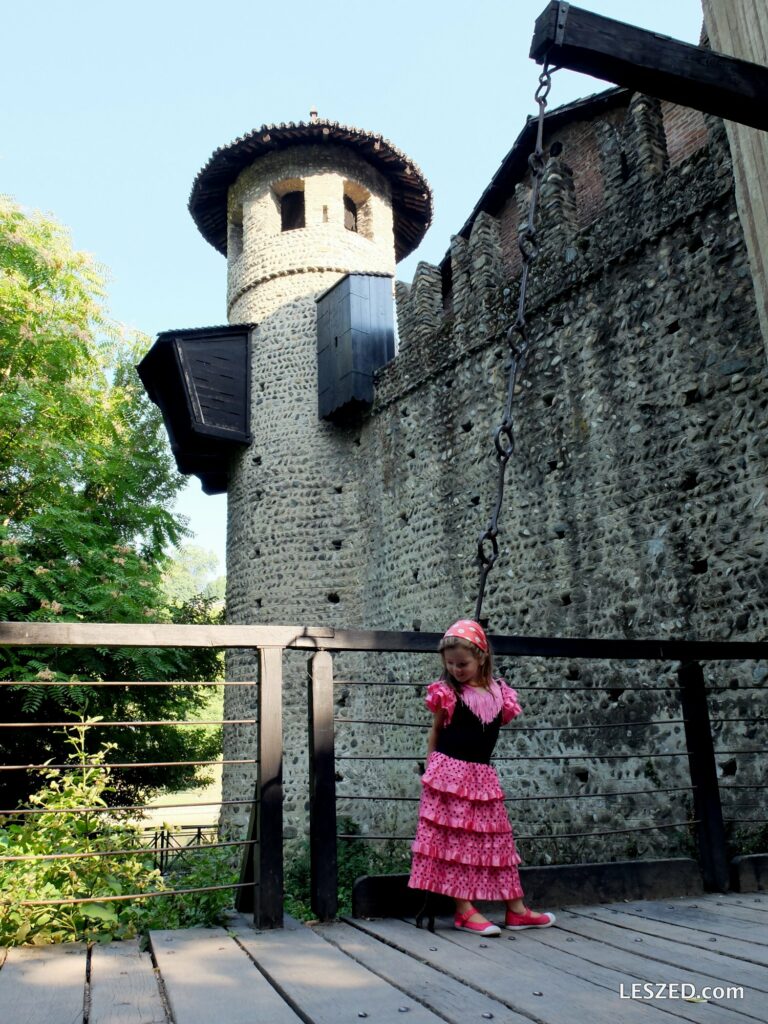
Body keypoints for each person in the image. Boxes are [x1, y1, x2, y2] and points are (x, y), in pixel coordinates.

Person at [408, 618, 556, 935]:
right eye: (450, 664)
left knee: (497, 840)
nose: (456, 669)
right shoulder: (447, 693)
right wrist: (431, 767)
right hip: (450, 773)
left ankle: (515, 909)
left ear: (482, 657)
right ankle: (464, 909)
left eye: (463, 663)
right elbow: (435, 732)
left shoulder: (500, 693)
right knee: (457, 841)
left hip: (482, 775)